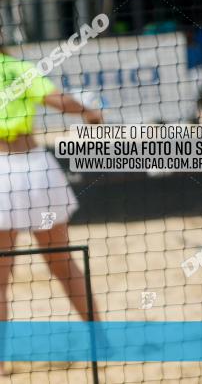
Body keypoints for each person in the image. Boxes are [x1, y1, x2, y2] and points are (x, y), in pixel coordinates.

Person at [0, 49, 104, 375]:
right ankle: (100, 341)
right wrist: (90, 113)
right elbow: (58, 100)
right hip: (35, 169)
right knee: (62, 260)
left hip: (2, 174)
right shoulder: (17, 67)